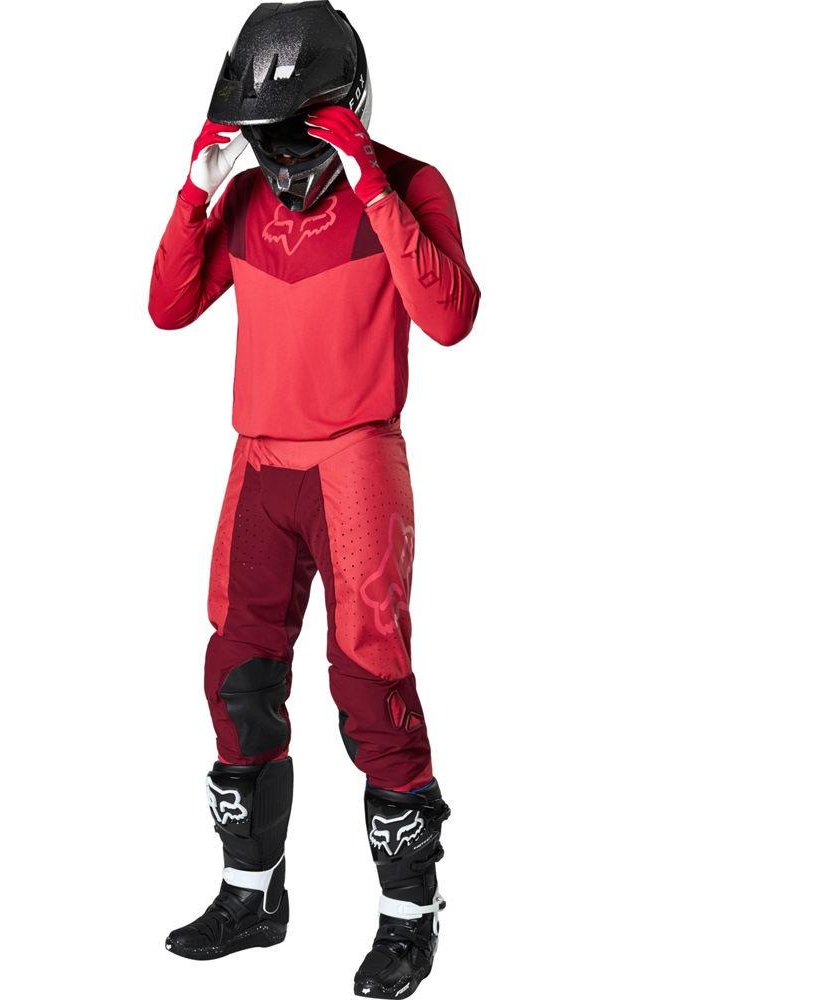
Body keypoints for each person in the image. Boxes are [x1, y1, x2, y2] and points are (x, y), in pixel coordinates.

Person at [148, 3, 479, 995]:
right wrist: (197, 191)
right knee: (237, 677)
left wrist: (369, 179)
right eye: (268, 138)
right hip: (259, 463)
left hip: (354, 460)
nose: (284, 159)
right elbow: (167, 308)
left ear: (348, 109)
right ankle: (252, 897)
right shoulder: (247, 197)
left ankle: (409, 918)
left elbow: (450, 318)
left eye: (297, 135)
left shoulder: (412, 184)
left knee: (371, 684)